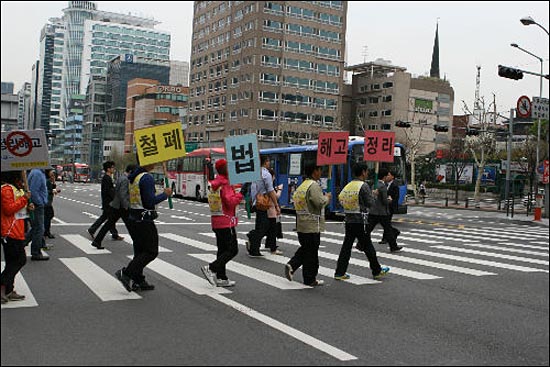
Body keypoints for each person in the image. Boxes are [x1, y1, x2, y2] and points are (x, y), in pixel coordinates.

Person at [115, 162, 172, 292]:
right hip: (144, 219)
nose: (156, 162)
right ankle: (127, 273)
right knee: (151, 251)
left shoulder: (135, 177)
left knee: (140, 251)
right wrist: (165, 194)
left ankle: (138, 280)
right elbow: (149, 201)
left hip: (134, 218)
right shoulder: (146, 178)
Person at [334, 163, 390, 281]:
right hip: (360, 220)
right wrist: (374, 195)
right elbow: (371, 204)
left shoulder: (348, 185)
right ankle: (377, 271)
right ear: (363, 172)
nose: (368, 173)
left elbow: (341, 199)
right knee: (368, 246)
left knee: (347, 247)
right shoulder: (363, 186)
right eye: (367, 171)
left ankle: (340, 272)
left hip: (349, 219)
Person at [284, 164, 330, 287]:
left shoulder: (302, 185)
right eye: (320, 170)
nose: (321, 173)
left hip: (301, 223)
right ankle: (309, 278)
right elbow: (319, 202)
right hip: (312, 224)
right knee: (311, 253)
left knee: (306, 249)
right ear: (315, 171)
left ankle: (292, 266)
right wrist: (327, 198)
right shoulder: (313, 186)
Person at [200, 159, 243, 287]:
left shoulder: (214, 182)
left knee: (222, 249)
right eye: (228, 167)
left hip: (216, 220)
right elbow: (230, 202)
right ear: (223, 169)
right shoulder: (224, 183)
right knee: (232, 250)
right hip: (226, 221)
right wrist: (240, 195)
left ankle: (221, 277)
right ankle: (212, 268)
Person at [1, 171, 33, 303]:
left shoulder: (14, 189)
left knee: (12, 261)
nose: (21, 180)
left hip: (17, 230)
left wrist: (28, 207)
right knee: (19, 260)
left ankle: (8, 290)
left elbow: (18, 209)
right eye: (19, 177)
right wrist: (24, 199)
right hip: (10, 231)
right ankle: (3, 286)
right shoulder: (6, 189)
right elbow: (8, 209)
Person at [90, 164, 135, 249]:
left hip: (116, 206)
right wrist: (126, 206)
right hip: (121, 207)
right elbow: (122, 194)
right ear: (130, 171)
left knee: (109, 224)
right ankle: (138, 244)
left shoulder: (121, 177)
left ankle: (97, 241)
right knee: (130, 225)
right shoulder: (125, 179)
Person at [359, 167, 403, 253]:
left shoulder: (374, 185)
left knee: (369, 229)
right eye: (387, 176)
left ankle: (360, 244)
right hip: (382, 212)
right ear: (384, 177)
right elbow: (384, 201)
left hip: (373, 211)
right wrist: (389, 200)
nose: (388, 177)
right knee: (387, 229)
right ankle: (393, 246)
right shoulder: (382, 186)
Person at [245, 155, 281, 257]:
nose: (269, 163)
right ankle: (252, 239)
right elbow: (270, 191)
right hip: (263, 203)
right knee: (264, 227)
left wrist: (252, 201)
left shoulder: (255, 173)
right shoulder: (266, 174)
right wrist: (277, 205)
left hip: (257, 202)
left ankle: (254, 249)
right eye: (268, 161)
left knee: (260, 225)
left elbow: (252, 188)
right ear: (265, 162)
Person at [87, 161, 124, 245]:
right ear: (108, 169)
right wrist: (115, 197)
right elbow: (108, 191)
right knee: (109, 218)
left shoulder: (107, 177)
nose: (114, 169)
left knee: (109, 218)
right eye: (112, 167)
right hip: (108, 203)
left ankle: (113, 234)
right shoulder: (107, 178)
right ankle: (93, 229)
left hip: (108, 202)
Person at [27, 168, 49, 261]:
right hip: (37, 205)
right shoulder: (37, 173)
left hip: (37, 204)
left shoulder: (37, 172)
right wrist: (40, 202)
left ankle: (22, 243)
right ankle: (36, 252)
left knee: (36, 228)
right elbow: (34, 191)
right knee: (39, 229)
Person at [264, 168, 283, 255]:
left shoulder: (265, 184)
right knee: (272, 231)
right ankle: (273, 249)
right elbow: (275, 196)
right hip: (271, 211)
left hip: (267, 210)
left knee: (268, 230)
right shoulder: (269, 186)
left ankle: (270, 245)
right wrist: (279, 190)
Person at [379, 170, 401, 245]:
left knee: (386, 223)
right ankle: (393, 233)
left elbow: (396, 197)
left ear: (392, 177)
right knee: (386, 223)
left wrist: (391, 201)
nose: (387, 176)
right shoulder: (385, 184)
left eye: (388, 175)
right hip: (385, 206)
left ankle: (386, 238)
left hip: (390, 207)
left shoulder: (395, 185)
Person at [44, 169, 60, 239]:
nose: (53, 177)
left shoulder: (50, 181)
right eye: (52, 175)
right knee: (49, 215)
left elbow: (53, 188)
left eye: (54, 175)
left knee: (49, 216)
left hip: (48, 202)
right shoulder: (47, 181)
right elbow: (48, 191)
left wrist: (53, 182)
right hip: (46, 203)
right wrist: (55, 191)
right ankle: (46, 231)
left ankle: (46, 231)